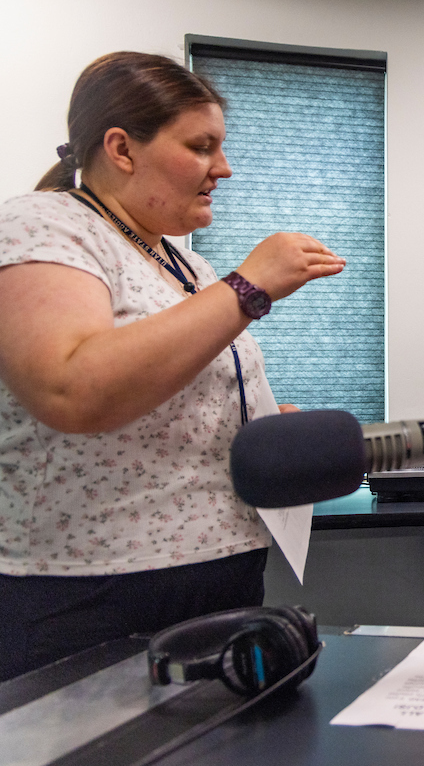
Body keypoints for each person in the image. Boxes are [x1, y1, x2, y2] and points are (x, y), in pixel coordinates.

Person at [0, 52, 346, 681]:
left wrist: (257, 423)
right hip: (93, 592)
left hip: (219, 572)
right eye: (201, 146)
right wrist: (249, 285)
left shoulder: (186, 266)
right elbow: (72, 388)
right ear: (121, 148)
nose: (224, 167)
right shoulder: (42, 226)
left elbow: (166, 391)